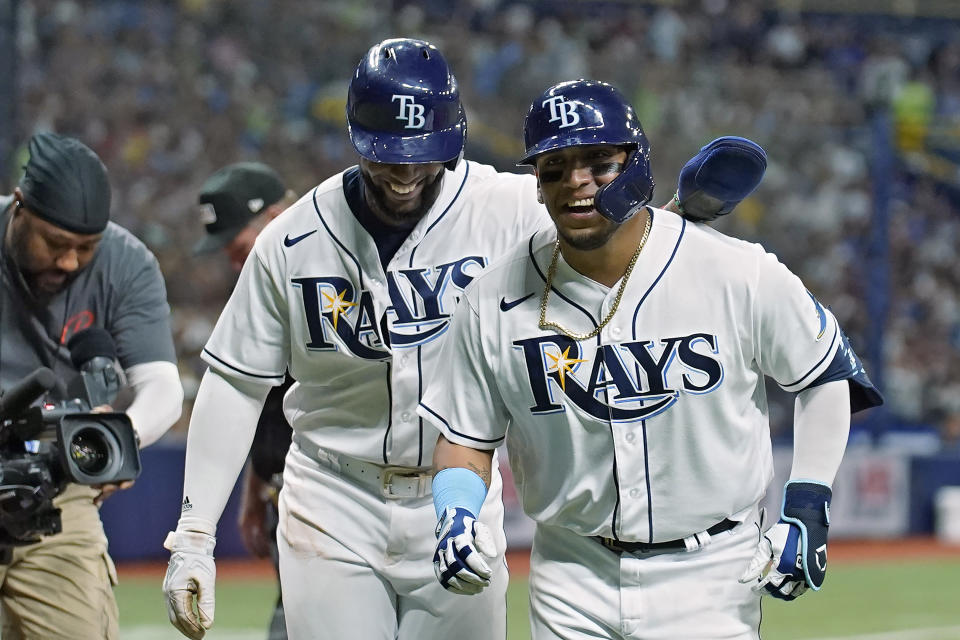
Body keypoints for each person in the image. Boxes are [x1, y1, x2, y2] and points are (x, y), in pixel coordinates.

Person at [161, 39, 767, 640]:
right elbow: (236, 381)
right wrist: (192, 535)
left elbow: (616, 251)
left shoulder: (507, 209)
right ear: (355, 138)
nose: (403, 172)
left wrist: (678, 215)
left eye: (420, 153)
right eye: (387, 154)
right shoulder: (292, 240)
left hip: (457, 497)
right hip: (331, 494)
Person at [419, 80, 883, 639]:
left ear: (636, 164)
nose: (576, 182)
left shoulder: (733, 270)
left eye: (598, 162)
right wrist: (456, 512)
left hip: (712, 574)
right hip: (571, 572)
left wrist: (808, 504)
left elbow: (825, 372)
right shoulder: (491, 297)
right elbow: (465, 436)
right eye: (554, 168)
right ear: (536, 186)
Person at [0, 132, 183, 639]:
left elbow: (163, 388)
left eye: (86, 247)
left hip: (53, 490)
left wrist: (126, 429)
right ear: (19, 206)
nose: (70, 262)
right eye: (55, 244)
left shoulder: (126, 263)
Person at [193, 161, 298, 640]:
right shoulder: (263, 293)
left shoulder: (333, 281)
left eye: (240, 249)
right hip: (283, 493)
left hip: (336, 494)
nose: (237, 264)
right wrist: (255, 493)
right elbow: (267, 405)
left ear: (275, 217)